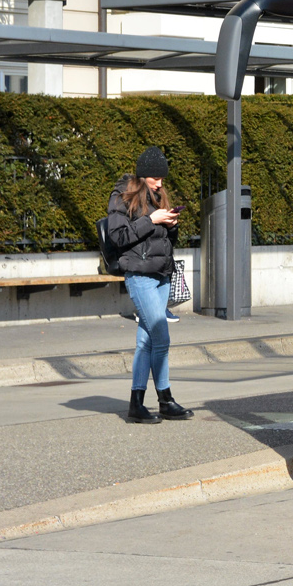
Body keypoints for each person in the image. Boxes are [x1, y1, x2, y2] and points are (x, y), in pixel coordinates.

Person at [108, 146, 193, 424]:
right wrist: (150, 220)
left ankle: (137, 404)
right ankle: (165, 399)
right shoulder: (122, 196)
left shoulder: (158, 196)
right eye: (155, 177)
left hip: (161, 276)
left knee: (146, 341)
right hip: (140, 275)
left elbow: (164, 241)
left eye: (162, 178)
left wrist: (170, 224)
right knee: (161, 337)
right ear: (143, 175)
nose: (160, 183)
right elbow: (118, 237)